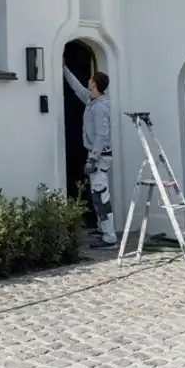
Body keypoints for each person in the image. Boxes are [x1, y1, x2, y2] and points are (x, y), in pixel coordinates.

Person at [63, 67, 117, 248]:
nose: (88, 80)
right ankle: (102, 229)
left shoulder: (100, 107)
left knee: (101, 197)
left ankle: (109, 238)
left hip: (100, 156)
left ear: (95, 84)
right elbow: (77, 88)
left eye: (91, 79)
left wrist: (93, 158)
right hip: (97, 154)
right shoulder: (92, 100)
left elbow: (102, 135)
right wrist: (64, 69)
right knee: (97, 195)